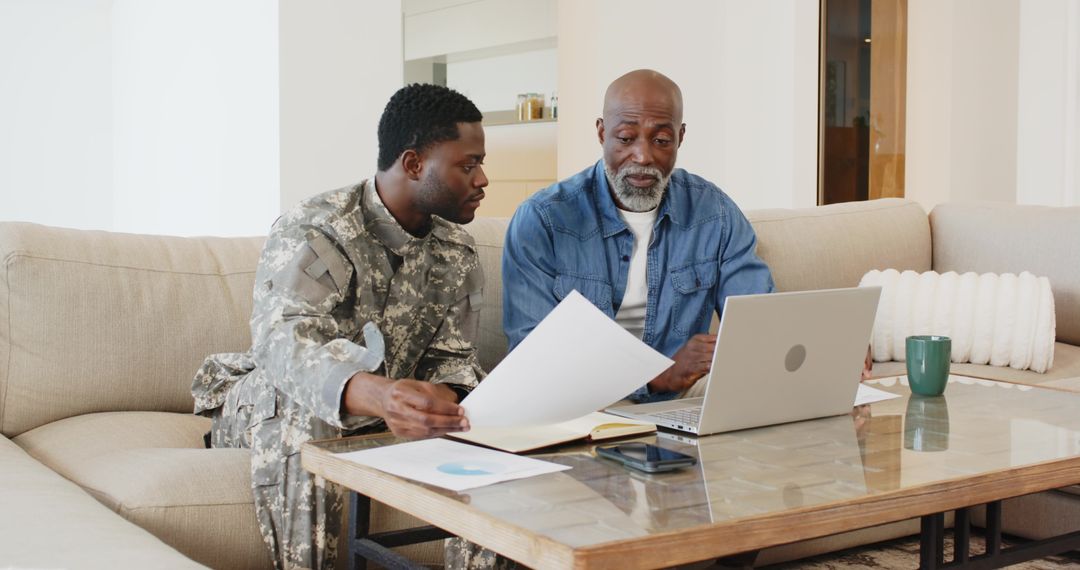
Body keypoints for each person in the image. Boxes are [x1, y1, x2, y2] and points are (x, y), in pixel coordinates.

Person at [191, 83, 489, 570]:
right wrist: (383, 397)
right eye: (468, 164)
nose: (482, 179)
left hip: (383, 411)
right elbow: (283, 343)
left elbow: (453, 360)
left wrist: (445, 404)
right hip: (268, 402)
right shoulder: (318, 227)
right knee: (308, 407)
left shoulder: (456, 250)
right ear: (413, 164)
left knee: (482, 419)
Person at [502, 69, 777, 402]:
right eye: (626, 138)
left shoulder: (713, 212)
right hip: (582, 399)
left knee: (752, 393)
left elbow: (759, 321)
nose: (643, 157)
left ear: (681, 137)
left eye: (661, 141)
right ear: (602, 133)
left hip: (680, 396)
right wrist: (656, 377)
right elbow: (533, 356)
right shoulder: (544, 219)